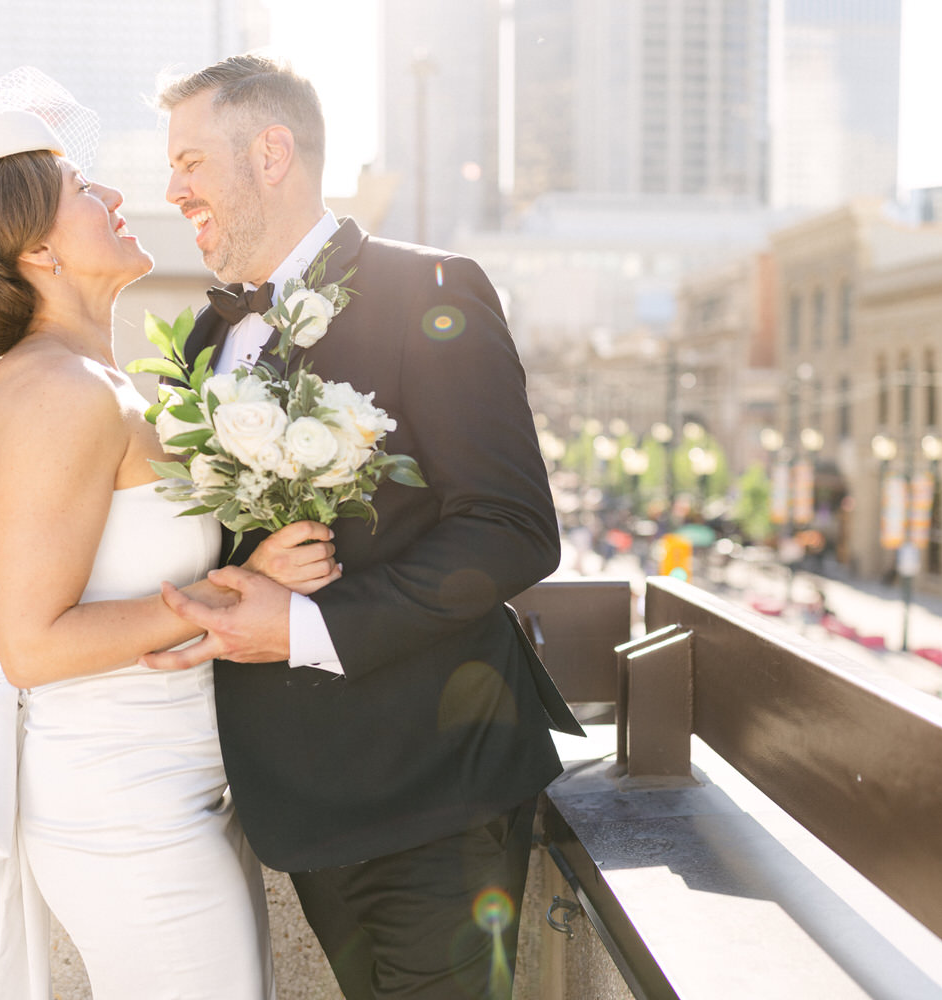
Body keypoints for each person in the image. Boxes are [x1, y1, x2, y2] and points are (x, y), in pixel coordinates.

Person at [140, 54, 583, 1000]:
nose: (172, 190)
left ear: (271, 152)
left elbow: (512, 527)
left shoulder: (432, 289)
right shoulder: (205, 341)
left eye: (189, 163)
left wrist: (304, 626)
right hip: (299, 805)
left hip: (437, 790)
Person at [0, 91, 337, 999]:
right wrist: (232, 590)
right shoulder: (56, 390)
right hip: (126, 814)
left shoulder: (97, 379)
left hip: (180, 789)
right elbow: (31, 645)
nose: (113, 193)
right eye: (79, 186)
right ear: (40, 252)